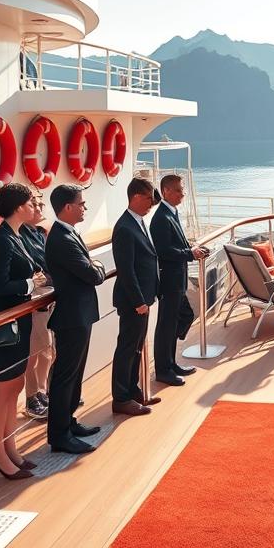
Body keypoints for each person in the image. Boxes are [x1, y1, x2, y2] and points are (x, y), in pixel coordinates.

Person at [0, 183, 45, 480]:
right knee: (4, 388)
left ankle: (11, 449)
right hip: (7, 320)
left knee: (16, 385)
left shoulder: (16, 235)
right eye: (31, 201)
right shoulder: (3, 240)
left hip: (20, 319)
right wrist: (30, 284)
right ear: (19, 206)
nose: (34, 206)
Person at [45, 183, 106, 454]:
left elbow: (90, 270)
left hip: (79, 314)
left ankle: (69, 423)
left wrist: (94, 266)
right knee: (65, 376)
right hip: (71, 317)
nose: (85, 208)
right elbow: (93, 275)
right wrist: (97, 267)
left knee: (75, 374)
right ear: (68, 207)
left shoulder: (68, 234)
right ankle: (59, 435)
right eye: (81, 204)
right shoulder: (61, 239)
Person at [111, 177, 161, 416]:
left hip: (143, 298)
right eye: (149, 199)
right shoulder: (124, 227)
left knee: (136, 348)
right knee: (127, 348)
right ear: (136, 197)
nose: (152, 203)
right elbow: (126, 268)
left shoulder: (138, 222)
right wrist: (139, 301)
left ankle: (132, 391)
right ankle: (121, 398)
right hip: (134, 302)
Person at [151, 174, 208, 382]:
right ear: (166, 191)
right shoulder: (161, 218)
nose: (183, 193)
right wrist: (190, 254)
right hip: (169, 281)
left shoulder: (170, 214)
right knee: (166, 325)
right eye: (178, 190)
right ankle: (163, 370)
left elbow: (177, 244)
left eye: (182, 189)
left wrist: (191, 248)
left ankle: (170, 363)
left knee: (180, 318)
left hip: (177, 279)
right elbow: (164, 251)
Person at [19, 194, 52, 421]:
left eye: (40, 204)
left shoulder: (39, 233)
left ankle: (42, 391)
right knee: (33, 352)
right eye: (35, 204)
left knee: (48, 351)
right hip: (33, 301)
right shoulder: (18, 236)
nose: (40, 208)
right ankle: (32, 397)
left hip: (48, 297)